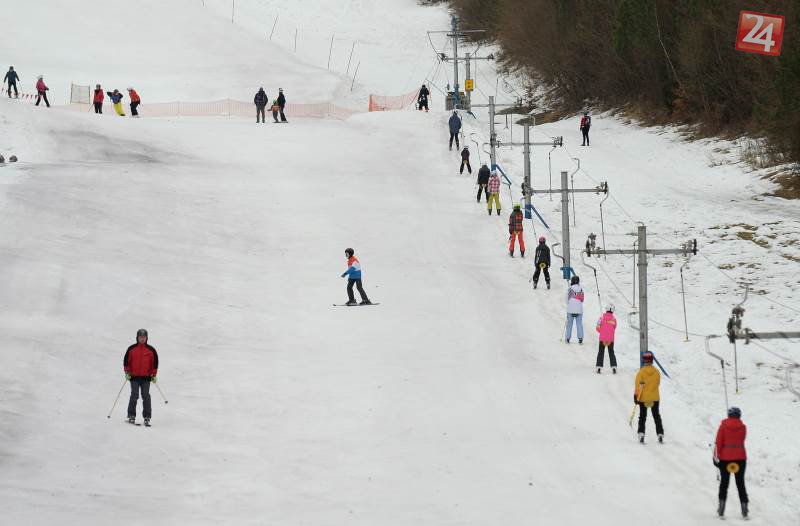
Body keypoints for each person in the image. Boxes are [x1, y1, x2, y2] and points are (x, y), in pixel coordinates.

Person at [714, 407, 749, 518]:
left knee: (724, 483)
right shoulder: (743, 428)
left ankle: (721, 508)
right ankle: (744, 509)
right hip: (740, 458)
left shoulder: (723, 427)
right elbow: (742, 439)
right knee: (740, 484)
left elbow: (718, 443)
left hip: (725, 459)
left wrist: (716, 457)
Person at [123, 329, 159, 426]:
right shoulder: (131, 349)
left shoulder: (151, 350)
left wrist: (154, 374)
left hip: (146, 377)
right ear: (137, 338)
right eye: (140, 337)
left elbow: (155, 363)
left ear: (147, 338)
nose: (142, 339)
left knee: (146, 395)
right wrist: (127, 372)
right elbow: (126, 361)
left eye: (144, 337)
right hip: (134, 377)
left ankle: (147, 417)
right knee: (134, 395)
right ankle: (131, 415)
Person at [634, 351, 664, 444]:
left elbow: (638, 386)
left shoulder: (641, 373)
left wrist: (636, 396)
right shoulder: (657, 372)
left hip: (643, 398)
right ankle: (660, 434)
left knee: (642, 417)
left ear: (644, 360)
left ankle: (641, 434)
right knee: (656, 416)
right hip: (655, 397)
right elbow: (657, 383)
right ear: (652, 360)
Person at [595, 304, 618, 373]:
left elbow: (597, 327)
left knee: (601, 352)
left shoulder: (601, 318)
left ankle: (599, 367)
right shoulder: (614, 319)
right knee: (611, 352)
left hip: (602, 338)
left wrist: (602, 331)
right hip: (611, 339)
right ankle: (614, 367)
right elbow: (614, 327)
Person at [565, 275, 584, 343]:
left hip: (570, 309)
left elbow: (566, 299)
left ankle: (568, 338)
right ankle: (580, 338)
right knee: (579, 324)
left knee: (569, 324)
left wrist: (569, 303)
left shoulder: (570, 289)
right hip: (579, 309)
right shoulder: (581, 289)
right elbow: (582, 300)